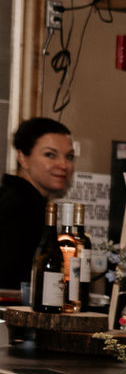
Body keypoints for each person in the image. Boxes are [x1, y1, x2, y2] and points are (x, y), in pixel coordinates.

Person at [1, 119, 76, 292]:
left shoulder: (28, 202)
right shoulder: (20, 206)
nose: (63, 165)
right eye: (50, 155)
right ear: (22, 158)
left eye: (69, 156)